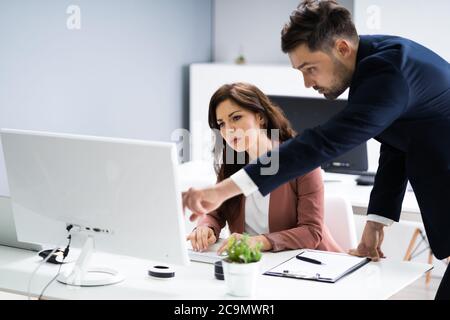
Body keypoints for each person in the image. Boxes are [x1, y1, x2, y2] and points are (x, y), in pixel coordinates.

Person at [182, 0, 450, 300]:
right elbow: (397, 145)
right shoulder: (376, 64)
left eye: (310, 69)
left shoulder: (386, 72)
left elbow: (322, 143)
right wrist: (376, 223)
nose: (308, 83)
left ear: (342, 48)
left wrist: (221, 191)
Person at [187, 82, 342, 254]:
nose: (228, 130)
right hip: (254, 264)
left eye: (236, 118)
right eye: (221, 123)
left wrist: (260, 242)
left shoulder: (301, 159)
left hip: (309, 265)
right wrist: (206, 227)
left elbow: (311, 232)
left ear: (260, 117)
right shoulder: (233, 160)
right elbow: (216, 212)